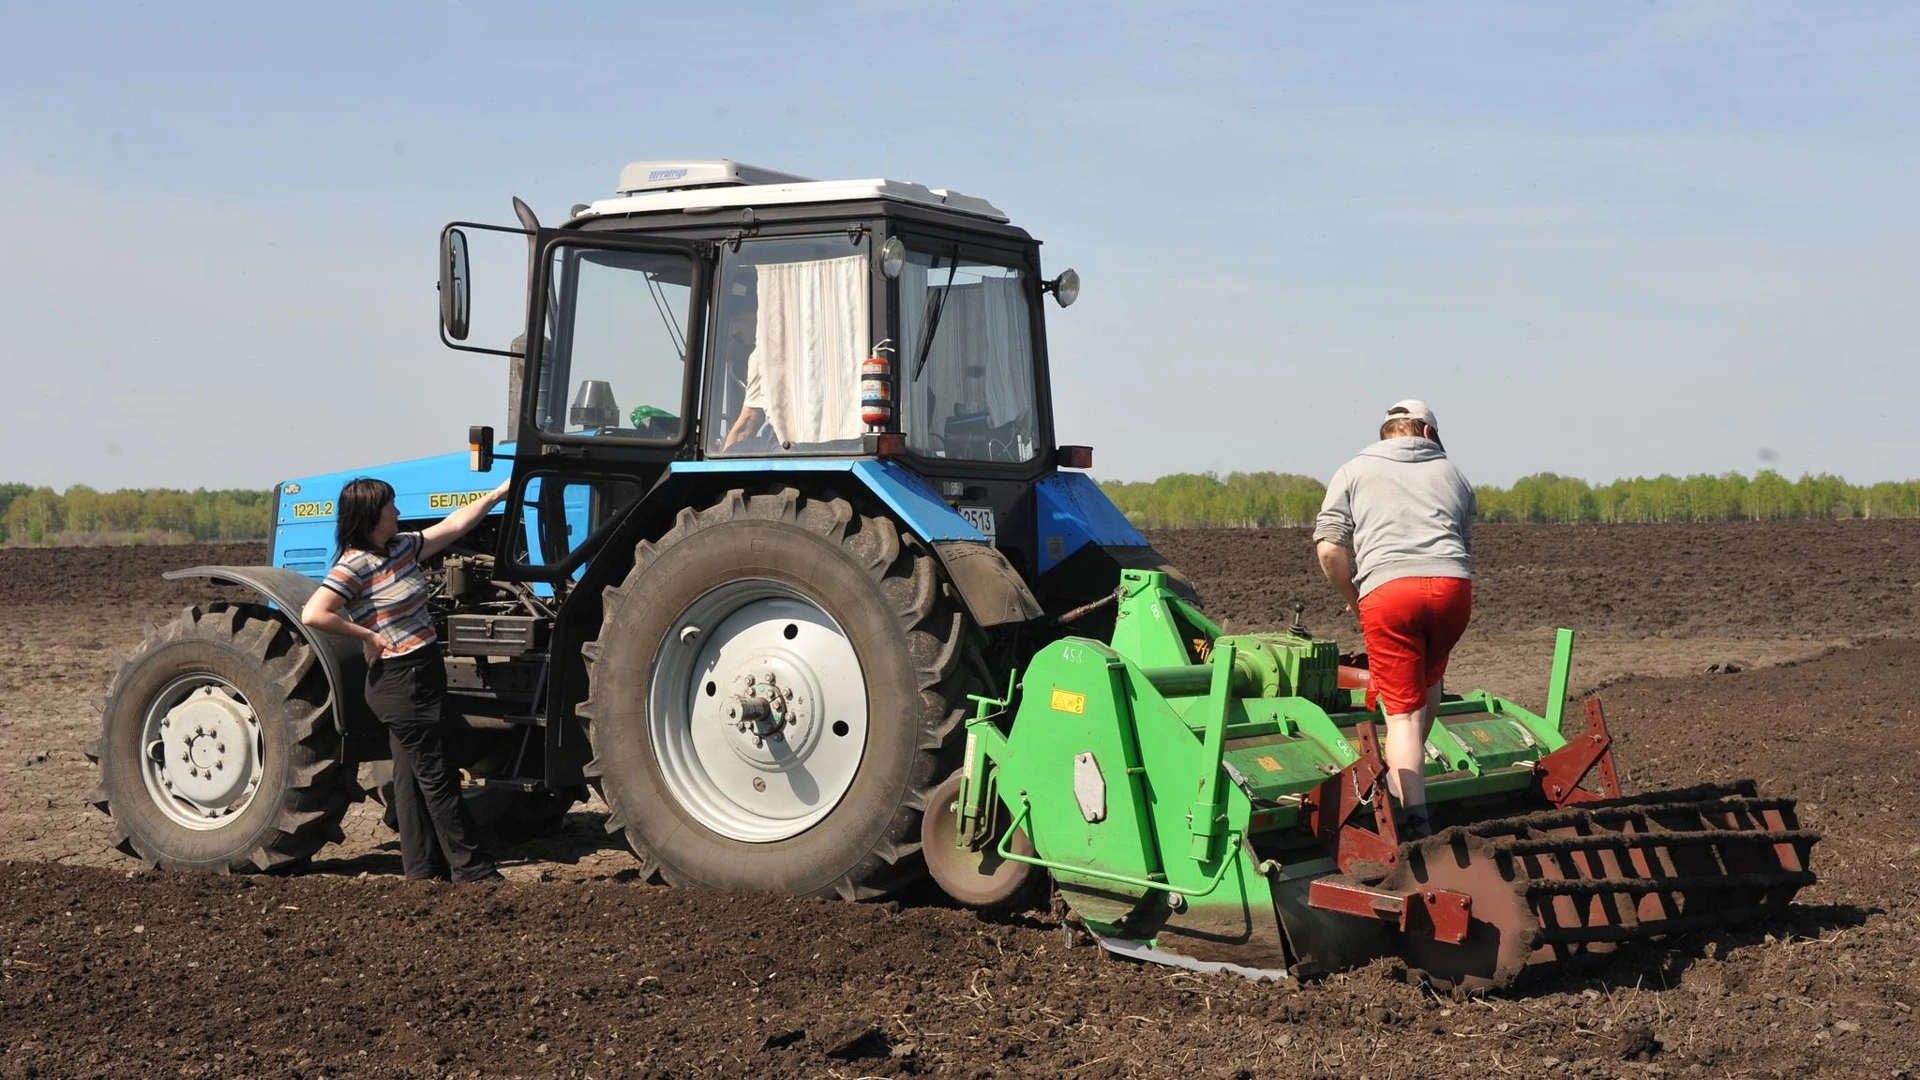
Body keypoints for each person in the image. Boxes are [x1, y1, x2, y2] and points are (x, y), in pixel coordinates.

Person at [300, 476, 512, 882]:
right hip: (401, 681)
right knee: (438, 777)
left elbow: (452, 527)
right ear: (370, 516)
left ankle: (420, 871)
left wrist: (496, 495)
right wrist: (367, 635)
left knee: (409, 779)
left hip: (423, 672)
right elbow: (314, 613)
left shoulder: (401, 547)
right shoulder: (353, 565)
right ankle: (474, 872)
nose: (398, 512)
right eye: (391, 507)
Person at [1312, 400, 1476, 840]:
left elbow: (1329, 549)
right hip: (1453, 592)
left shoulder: (1352, 470)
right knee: (1429, 679)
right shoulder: (1453, 473)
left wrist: (1355, 597)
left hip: (1388, 594)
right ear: (1426, 431)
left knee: (1400, 719)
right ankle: (1412, 769)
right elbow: (1463, 543)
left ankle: (1416, 826)